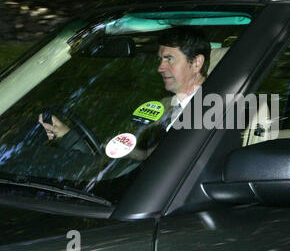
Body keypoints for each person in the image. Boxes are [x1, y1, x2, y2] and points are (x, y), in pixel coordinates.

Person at [38, 27, 211, 159]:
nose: (160, 68)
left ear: (196, 63)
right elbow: (135, 156)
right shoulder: (163, 107)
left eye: (169, 59)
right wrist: (70, 138)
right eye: (160, 59)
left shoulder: (218, 111)